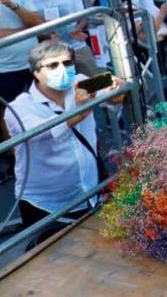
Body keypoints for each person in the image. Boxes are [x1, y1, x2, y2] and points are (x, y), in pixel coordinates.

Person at [4, 40, 123, 246]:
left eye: (67, 63)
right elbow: (46, 131)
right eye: (52, 65)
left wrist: (115, 86)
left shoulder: (80, 82)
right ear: (36, 72)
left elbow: (116, 88)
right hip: (45, 206)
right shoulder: (19, 108)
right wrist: (81, 108)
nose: (62, 70)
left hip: (89, 194)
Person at [29, 0, 97, 76]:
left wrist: (78, 28)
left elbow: (83, 16)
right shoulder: (29, 1)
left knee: (93, 80)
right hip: (48, 53)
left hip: (77, 46)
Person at [0, 0, 44, 102]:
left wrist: (12, 5)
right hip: (5, 70)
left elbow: (39, 23)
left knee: (44, 105)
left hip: (35, 64)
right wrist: (28, 30)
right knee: (7, 114)